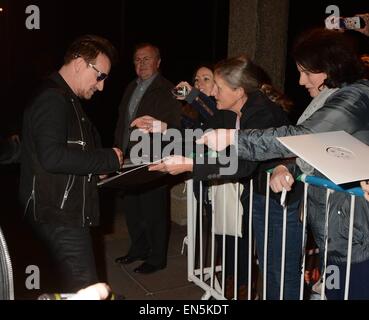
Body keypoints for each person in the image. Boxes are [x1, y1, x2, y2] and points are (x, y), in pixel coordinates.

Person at [198, 28, 369, 299]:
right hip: (338, 233)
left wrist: (233, 138)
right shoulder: (341, 97)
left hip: (355, 237)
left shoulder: (353, 98)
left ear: (330, 67)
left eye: (307, 72)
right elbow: (323, 151)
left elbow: (304, 138)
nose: (300, 81)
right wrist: (287, 167)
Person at [147, 55, 302, 299]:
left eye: (218, 87)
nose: (212, 93)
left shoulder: (261, 113)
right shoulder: (236, 110)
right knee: (269, 267)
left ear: (239, 91)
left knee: (278, 272)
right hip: (260, 196)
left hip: (278, 202)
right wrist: (162, 128)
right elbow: (201, 134)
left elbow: (242, 165)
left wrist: (190, 164)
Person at [19, 35, 124, 292]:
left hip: (62, 211)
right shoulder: (53, 99)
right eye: (100, 76)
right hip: (59, 217)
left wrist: (95, 170)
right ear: (79, 63)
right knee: (87, 290)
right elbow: (52, 157)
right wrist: (106, 158)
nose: (101, 87)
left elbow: (63, 155)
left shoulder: (64, 97)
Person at [114, 43, 181, 274]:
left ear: (158, 62)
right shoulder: (130, 87)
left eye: (146, 59)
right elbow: (122, 123)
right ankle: (139, 249)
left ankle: (157, 258)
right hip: (129, 156)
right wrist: (117, 149)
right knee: (132, 208)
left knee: (154, 210)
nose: (141, 64)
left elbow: (176, 127)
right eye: (137, 60)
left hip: (153, 158)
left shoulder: (167, 89)